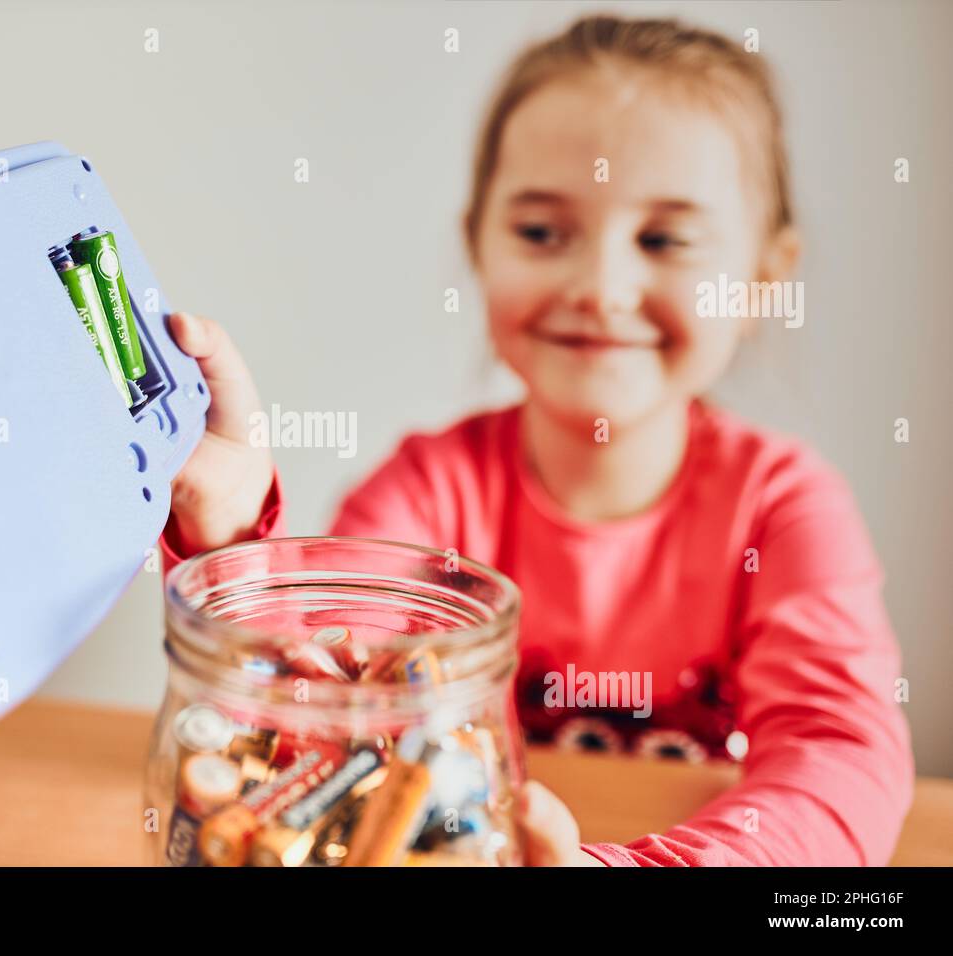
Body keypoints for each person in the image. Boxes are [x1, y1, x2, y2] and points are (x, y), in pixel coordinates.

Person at [159, 14, 913, 866]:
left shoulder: (783, 510)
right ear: (476, 243)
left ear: (765, 280)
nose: (600, 286)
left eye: (663, 239)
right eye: (543, 233)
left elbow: (844, 759)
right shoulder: (425, 493)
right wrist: (224, 531)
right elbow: (312, 698)